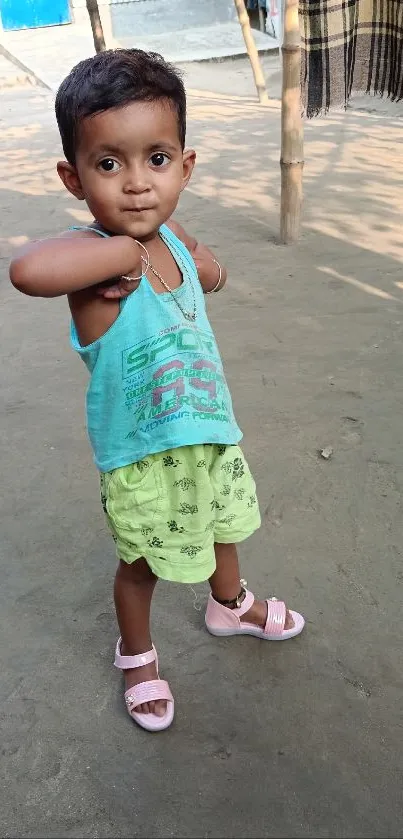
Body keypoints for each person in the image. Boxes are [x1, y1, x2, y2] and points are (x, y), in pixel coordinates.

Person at [10, 49, 304, 733]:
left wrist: (210, 270)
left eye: (157, 159)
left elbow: (208, 271)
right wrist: (123, 253)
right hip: (141, 456)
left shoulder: (169, 232)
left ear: (185, 165)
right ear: (73, 177)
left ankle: (228, 604)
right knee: (139, 565)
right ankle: (136, 655)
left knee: (225, 528)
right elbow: (27, 269)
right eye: (108, 163)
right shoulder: (95, 261)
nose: (137, 184)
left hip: (208, 433)